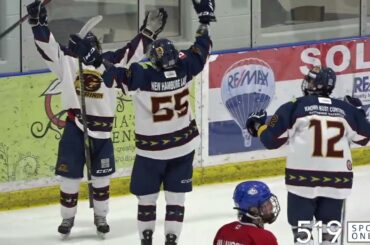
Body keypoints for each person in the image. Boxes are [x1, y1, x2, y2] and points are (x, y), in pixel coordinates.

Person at [71, 0, 215, 244]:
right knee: (176, 199)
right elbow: (202, 46)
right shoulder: (186, 66)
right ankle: (171, 240)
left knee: (147, 200)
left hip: (152, 152)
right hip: (184, 147)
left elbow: (112, 77)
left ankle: (146, 240)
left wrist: (93, 59)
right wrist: (203, 21)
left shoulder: (143, 75)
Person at [26, 0, 167, 238]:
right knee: (69, 178)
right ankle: (67, 218)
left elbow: (133, 50)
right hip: (75, 128)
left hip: (102, 133)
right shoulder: (68, 62)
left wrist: (148, 33)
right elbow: (47, 47)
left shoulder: (110, 62)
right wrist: (37, 24)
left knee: (101, 178)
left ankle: (100, 216)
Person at [246, 66, 370, 244]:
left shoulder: (295, 106)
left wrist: (257, 125)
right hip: (337, 181)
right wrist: (359, 113)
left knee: (302, 233)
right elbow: (365, 137)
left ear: (316, 85)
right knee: (330, 233)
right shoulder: (346, 110)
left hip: (302, 180)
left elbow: (270, 140)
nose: (307, 82)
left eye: (311, 80)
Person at [213, 180, 280, 245]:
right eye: (267, 204)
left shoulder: (224, 231)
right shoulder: (265, 238)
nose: (271, 206)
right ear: (253, 210)